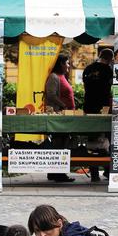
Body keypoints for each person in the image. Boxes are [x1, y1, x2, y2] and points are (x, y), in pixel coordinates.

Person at [42, 54, 75, 183]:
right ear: (60, 63)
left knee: (62, 143)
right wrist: (63, 105)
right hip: (58, 116)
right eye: (67, 63)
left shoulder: (63, 76)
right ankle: (58, 173)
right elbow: (51, 95)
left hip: (65, 116)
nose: (68, 65)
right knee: (59, 144)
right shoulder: (54, 77)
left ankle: (55, 173)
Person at [82, 48, 114, 182]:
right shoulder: (108, 71)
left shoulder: (87, 69)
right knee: (108, 137)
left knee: (92, 139)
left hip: (89, 106)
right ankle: (108, 170)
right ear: (110, 59)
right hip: (104, 107)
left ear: (100, 55)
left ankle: (94, 173)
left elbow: (86, 87)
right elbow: (110, 87)